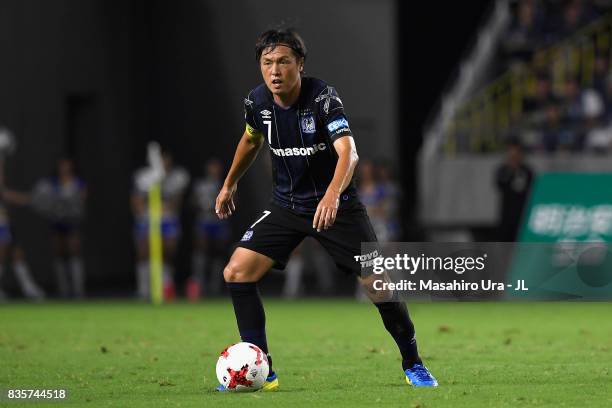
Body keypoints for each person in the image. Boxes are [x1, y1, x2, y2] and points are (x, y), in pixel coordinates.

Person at [214, 29, 437, 391]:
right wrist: (229, 183)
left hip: (339, 208)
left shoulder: (322, 98)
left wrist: (332, 195)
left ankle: (413, 363)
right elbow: (251, 139)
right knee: (237, 272)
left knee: (379, 286)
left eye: (284, 61)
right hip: (286, 206)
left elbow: (349, 153)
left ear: (300, 64)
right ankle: (262, 368)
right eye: (267, 62)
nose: (275, 70)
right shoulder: (256, 102)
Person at [131, 150, 189, 300]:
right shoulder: (143, 176)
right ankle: (144, 289)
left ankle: (165, 286)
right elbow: (136, 199)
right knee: (144, 251)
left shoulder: (177, 177)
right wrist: (144, 211)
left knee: (167, 252)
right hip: (147, 218)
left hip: (167, 219)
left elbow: (177, 200)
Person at [187, 158, 230, 300]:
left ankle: (215, 285)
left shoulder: (226, 183)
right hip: (204, 220)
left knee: (219, 251)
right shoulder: (200, 184)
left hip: (219, 221)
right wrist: (202, 207)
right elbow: (193, 202)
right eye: (212, 167)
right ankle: (199, 283)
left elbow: (235, 201)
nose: (214, 170)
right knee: (201, 249)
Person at [495, 140, 534, 241]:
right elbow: (500, 184)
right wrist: (511, 171)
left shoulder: (526, 171)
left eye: (516, 153)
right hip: (507, 213)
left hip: (522, 212)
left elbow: (531, 187)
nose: (514, 156)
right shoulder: (503, 170)